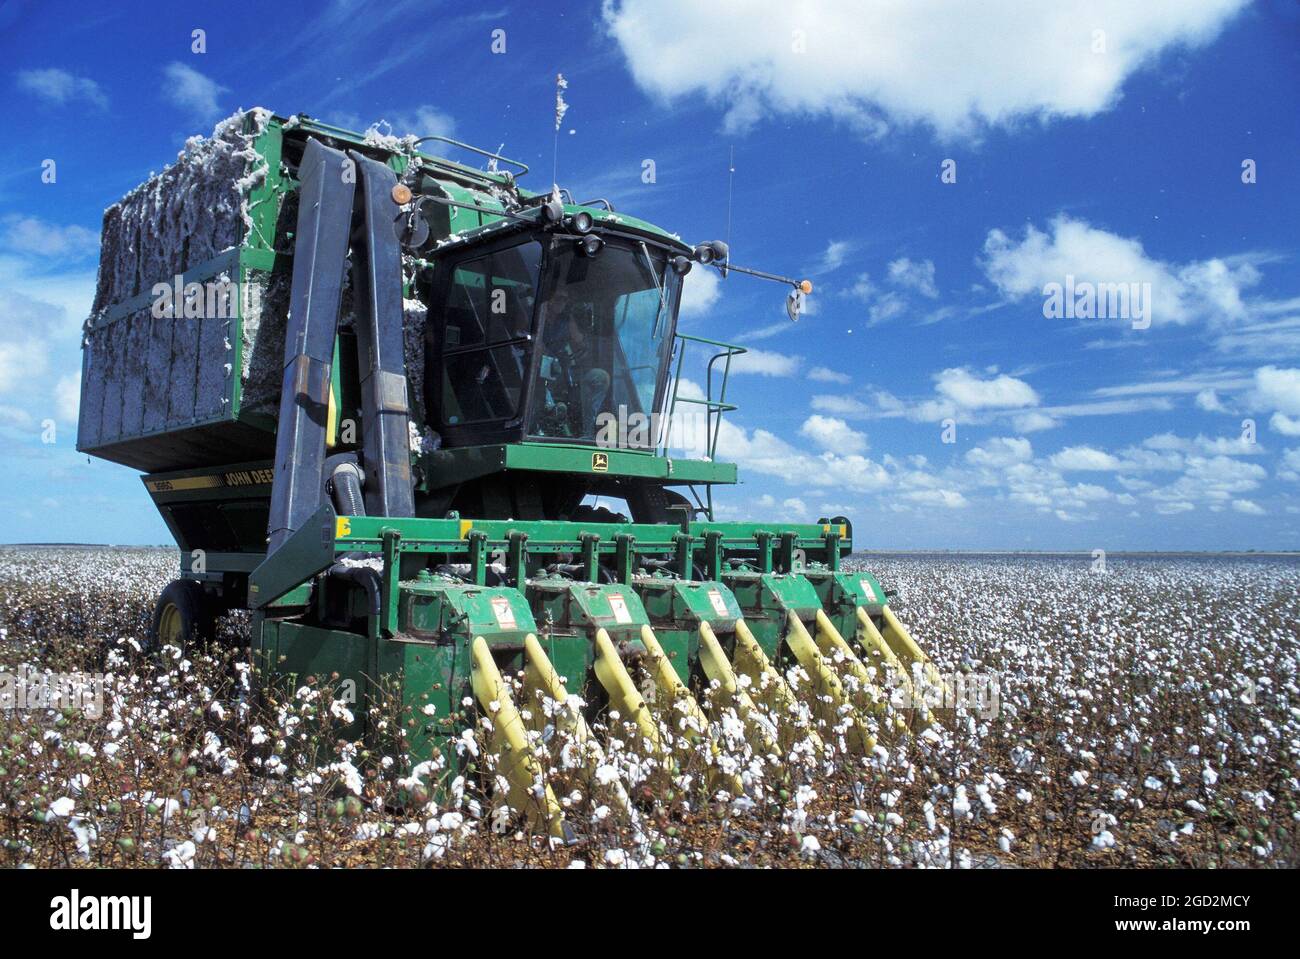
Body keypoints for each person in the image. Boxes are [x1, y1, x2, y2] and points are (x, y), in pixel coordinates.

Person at [542, 287, 610, 435]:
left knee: (600, 377)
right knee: (541, 368)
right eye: (559, 298)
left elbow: (580, 344)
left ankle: (588, 428)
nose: (562, 303)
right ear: (548, 300)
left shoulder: (565, 321)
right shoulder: (538, 317)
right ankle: (550, 408)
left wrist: (572, 320)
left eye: (565, 300)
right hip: (540, 369)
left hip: (562, 371)